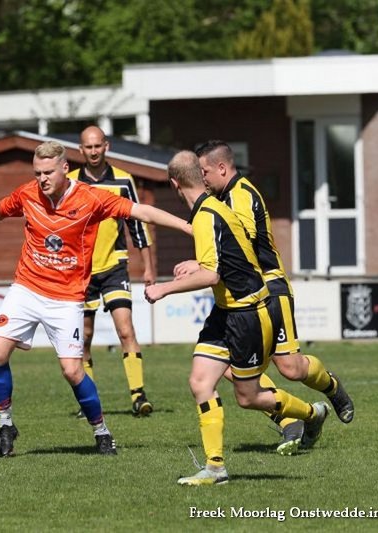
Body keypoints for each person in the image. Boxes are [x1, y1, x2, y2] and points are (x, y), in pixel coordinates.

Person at [0, 141, 192, 456]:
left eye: (48, 172)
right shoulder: (28, 194)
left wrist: (187, 226)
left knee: (72, 371)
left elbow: (141, 211)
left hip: (65, 298)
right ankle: (6, 424)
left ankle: (102, 432)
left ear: (65, 168)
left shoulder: (91, 198)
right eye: (37, 173)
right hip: (26, 288)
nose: (42, 179)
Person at [145, 151, 328, 486]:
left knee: (248, 397)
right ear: (200, 176)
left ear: (174, 184)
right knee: (200, 382)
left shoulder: (207, 215)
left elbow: (211, 275)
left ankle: (311, 413)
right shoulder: (214, 208)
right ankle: (215, 469)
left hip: (248, 313)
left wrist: (164, 288)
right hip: (226, 310)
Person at [184, 140, 354, 455]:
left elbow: (243, 245)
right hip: (243, 296)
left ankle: (331, 388)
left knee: (291, 368)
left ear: (222, 168)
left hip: (270, 287)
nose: (202, 178)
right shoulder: (219, 198)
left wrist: (202, 264)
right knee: (227, 367)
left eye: (204, 171)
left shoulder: (240, 195)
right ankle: (292, 419)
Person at [67, 125, 155, 417]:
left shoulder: (123, 180)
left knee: (125, 329)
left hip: (115, 267)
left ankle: (139, 396)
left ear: (106, 146)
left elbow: (137, 224)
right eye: (88, 147)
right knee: (84, 337)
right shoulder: (69, 183)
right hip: (81, 272)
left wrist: (148, 267)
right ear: (81, 150)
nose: (93, 151)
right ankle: (88, 401)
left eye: (98, 146)